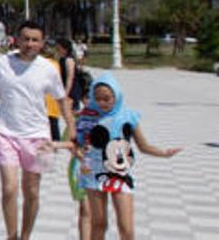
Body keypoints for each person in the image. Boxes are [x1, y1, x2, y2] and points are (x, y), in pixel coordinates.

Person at [0, 20, 74, 240]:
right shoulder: (4, 63)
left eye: (35, 40)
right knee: (10, 188)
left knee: (32, 191)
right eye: (26, 39)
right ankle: (11, 236)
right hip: (5, 133)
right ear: (17, 39)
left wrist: (72, 129)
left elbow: (61, 101)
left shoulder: (48, 68)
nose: (30, 44)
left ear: (42, 43)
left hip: (39, 137)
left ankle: (25, 236)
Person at [67, 73, 180, 240]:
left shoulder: (127, 116)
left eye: (107, 98)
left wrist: (163, 153)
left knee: (126, 228)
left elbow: (143, 146)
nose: (102, 103)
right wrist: (77, 152)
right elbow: (76, 145)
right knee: (99, 224)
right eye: (97, 98)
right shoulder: (87, 117)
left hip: (120, 174)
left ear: (116, 95)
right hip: (93, 175)